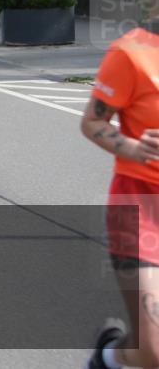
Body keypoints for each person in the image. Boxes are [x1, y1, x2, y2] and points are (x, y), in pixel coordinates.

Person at [82, 18, 159, 369]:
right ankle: (109, 353)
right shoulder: (131, 52)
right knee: (153, 350)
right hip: (140, 209)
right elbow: (93, 122)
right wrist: (133, 147)